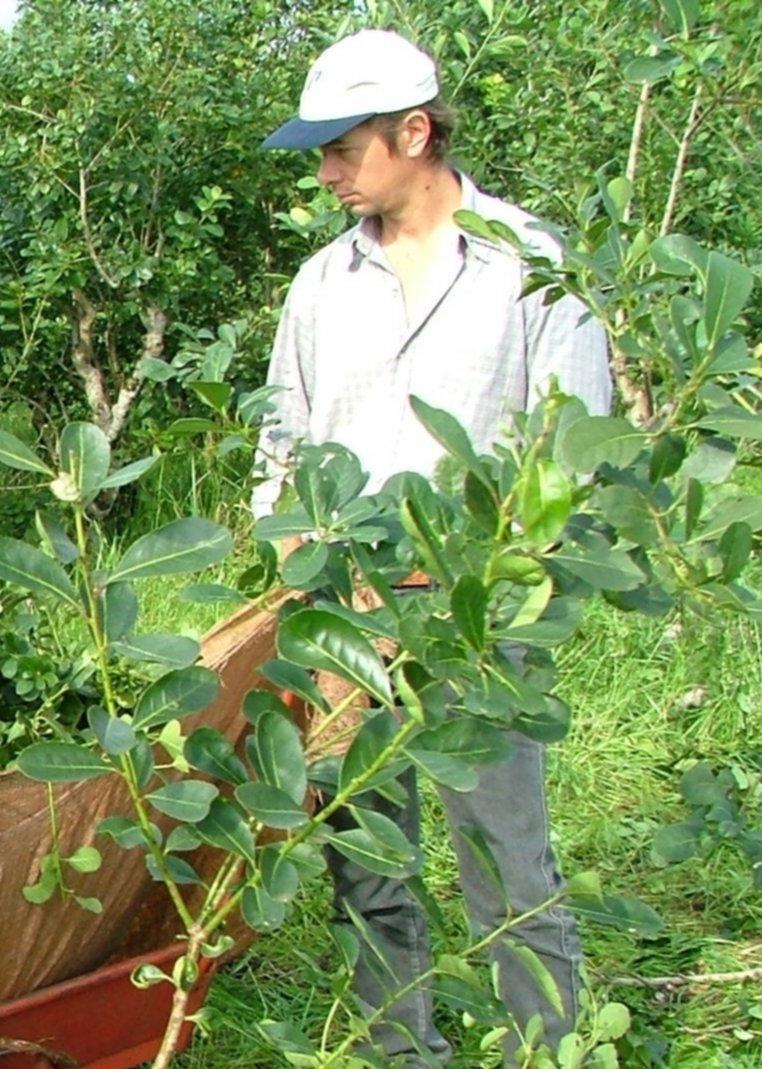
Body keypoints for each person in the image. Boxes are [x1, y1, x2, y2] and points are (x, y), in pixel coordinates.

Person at [251, 29, 612, 1067]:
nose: (323, 173)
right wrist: (302, 587)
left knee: (504, 857)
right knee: (367, 860)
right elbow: (281, 444)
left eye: (341, 148)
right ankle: (398, 1051)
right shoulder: (321, 284)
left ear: (414, 132)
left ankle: (542, 1050)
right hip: (343, 620)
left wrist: (475, 579)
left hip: (477, 619)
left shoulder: (526, 265)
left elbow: (568, 452)